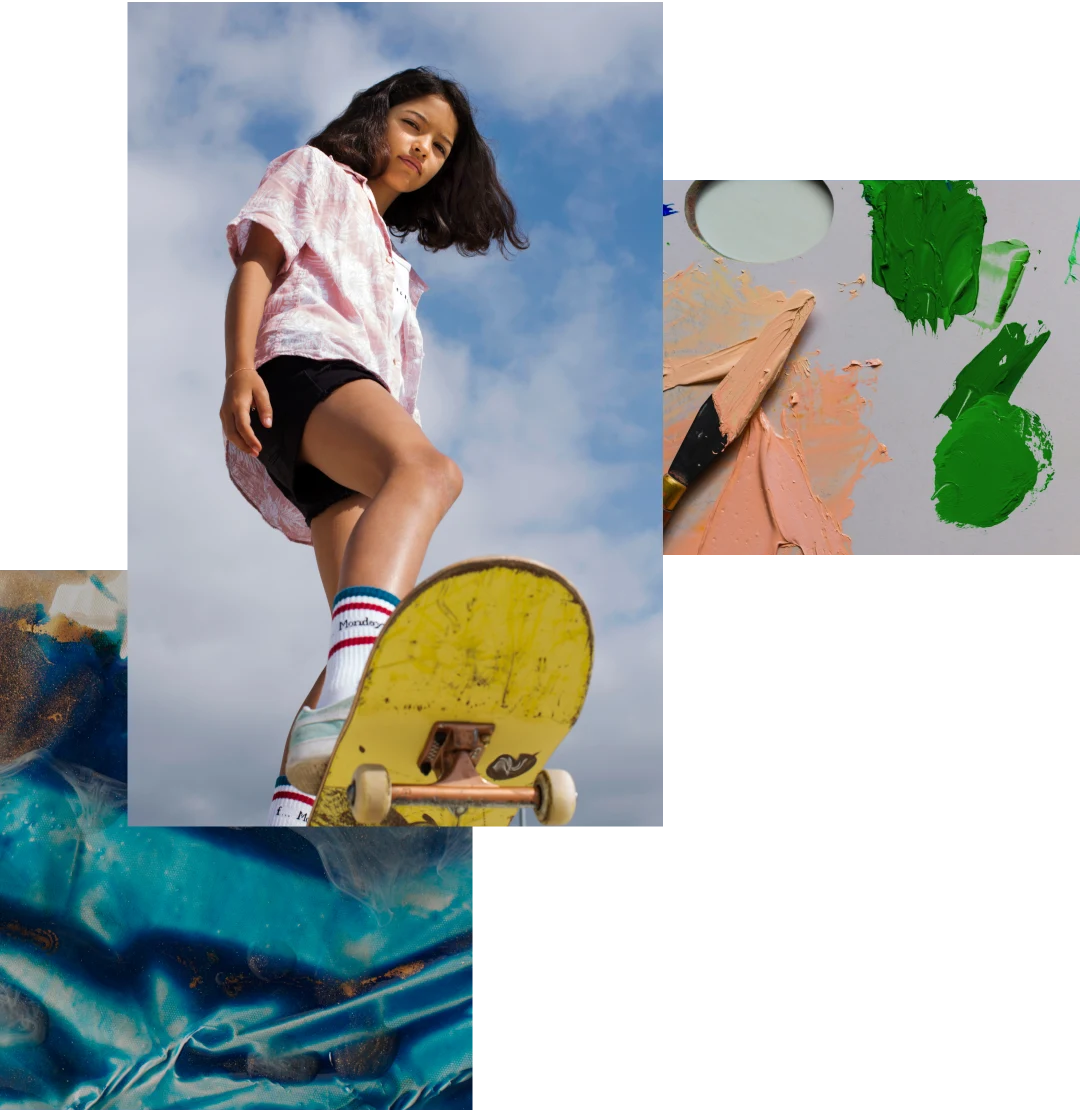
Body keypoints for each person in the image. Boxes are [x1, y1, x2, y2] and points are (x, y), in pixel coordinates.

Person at [219, 67, 527, 825]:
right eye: (414, 125)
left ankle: (292, 811)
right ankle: (354, 702)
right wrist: (237, 371)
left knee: (359, 634)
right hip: (301, 372)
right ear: (377, 118)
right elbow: (256, 265)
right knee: (428, 471)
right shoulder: (314, 171)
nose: (423, 148)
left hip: (339, 427)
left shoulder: (394, 262)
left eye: (442, 147)